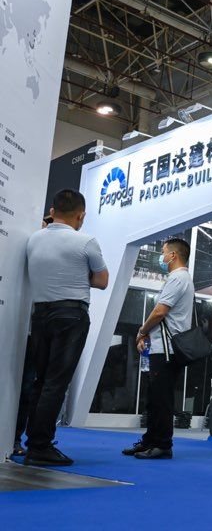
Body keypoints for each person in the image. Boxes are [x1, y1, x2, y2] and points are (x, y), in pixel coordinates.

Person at [24, 190, 109, 466]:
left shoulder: (33, 239)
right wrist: (80, 274)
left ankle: (32, 443)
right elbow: (102, 281)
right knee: (56, 382)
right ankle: (41, 446)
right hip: (71, 316)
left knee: (40, 381)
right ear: (81, 215)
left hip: (39, 316)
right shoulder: (86, 242)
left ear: (52, 211)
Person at [122, 238, 194, 460]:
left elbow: (160, 311)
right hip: (162, 348)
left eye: (163, 253)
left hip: (167, 350)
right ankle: (149, 441)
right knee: (154, 397)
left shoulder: (178, 278)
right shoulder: (180, 278)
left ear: (173, 255)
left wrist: (141, 331)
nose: (161, 257)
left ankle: (162, 445)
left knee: (161, 398)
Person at [13, 216, 53, 458]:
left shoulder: (47, 263)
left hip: (31, 335)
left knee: (27, 390)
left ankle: (15, 437)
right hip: (13, 332)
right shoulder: (18, 255)